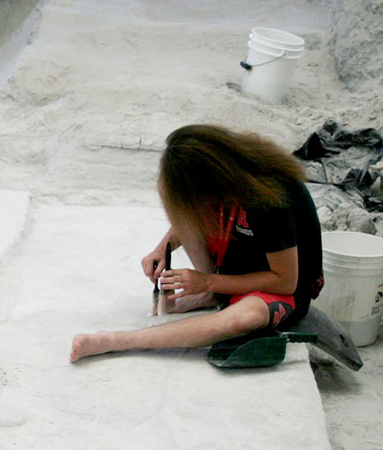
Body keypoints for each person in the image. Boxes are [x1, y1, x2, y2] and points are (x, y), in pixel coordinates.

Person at [70, 124, 323, 362]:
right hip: (239, 263)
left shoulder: (269, 200)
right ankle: (214, 295)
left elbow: (285, 281)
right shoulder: (229, 180)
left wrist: (208, 281)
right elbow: (189, 212)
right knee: (172, 194)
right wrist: (162, 248)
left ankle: (118, 341)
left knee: (247, 317)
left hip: (282, 288)